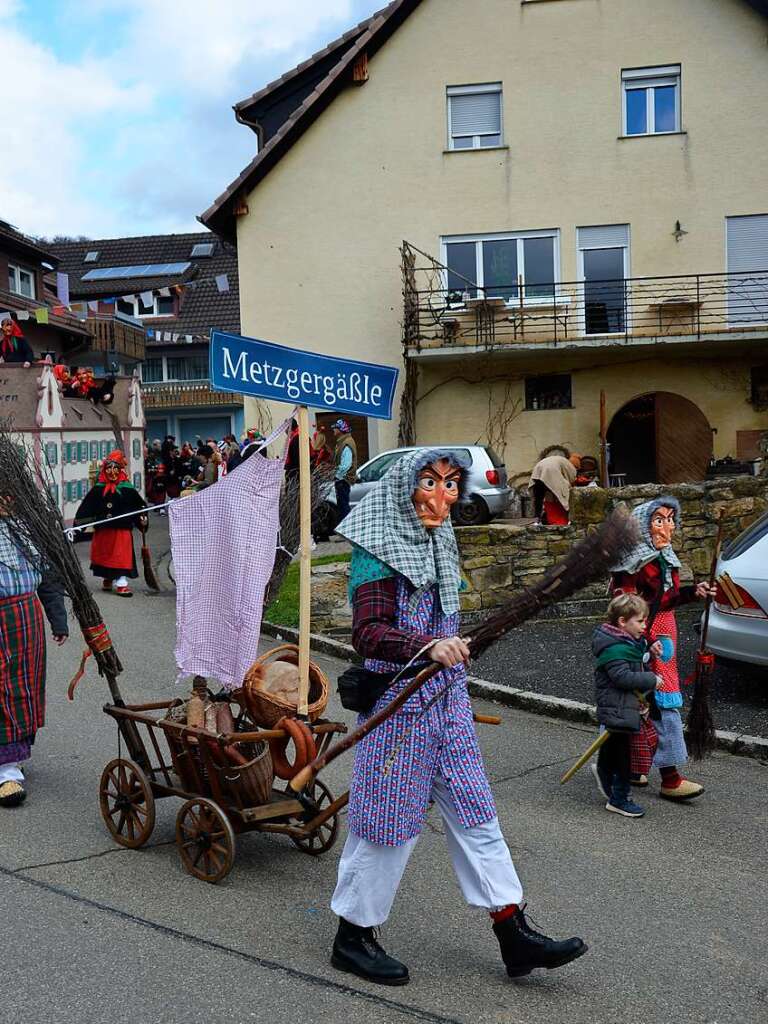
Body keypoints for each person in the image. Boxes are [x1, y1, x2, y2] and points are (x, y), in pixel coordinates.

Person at [328, 448, 587, 985]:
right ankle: (352, 937)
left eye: (450, 485)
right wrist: (428, 647)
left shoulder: (440, 543)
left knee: (477, 815)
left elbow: (448, 629)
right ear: (405, 486)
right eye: (429, 482)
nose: (440, 497)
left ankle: (513, 932)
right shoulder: (376, 550)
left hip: (449, 708)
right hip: (397, 714)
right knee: (386, 827)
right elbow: (368, 633)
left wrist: (458, 647)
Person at [610, 497, 714, 800]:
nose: (667, 528)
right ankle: (670, 777)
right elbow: (624, 608)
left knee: (645, 701)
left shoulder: (665, 556)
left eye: (670, 520)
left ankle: (634, 766)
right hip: (643, 636)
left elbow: (666, 600)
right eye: (659, 520)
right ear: (644, 526)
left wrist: (694, 592)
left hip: (663, 634)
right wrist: (645, 638)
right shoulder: (631, 562)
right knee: (656, 702)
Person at [0, 507, 68, 807]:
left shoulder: (28, 527)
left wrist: (58, 620)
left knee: (21, 691)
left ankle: (9, 761)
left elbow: (49, 579)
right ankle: (6, 770)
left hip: (25, 617)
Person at [591, 593, 662, 819]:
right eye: (640, 621)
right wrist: (651, 680)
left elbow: (636, 662)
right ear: (623, 622)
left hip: (626, 705)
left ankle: (603, 772)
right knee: (623, 756)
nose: (645, 626)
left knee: (614, 746)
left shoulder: (627, 642)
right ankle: (620, 798)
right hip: (617, 705)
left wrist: (648, 653)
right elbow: (622, 677)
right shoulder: (614, 648)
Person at [74, 451, 147, 597]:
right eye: (109, 469)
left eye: (115, 470)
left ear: (120, 471)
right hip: (104, 530)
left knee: (121, 557)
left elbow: (139, 507)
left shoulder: (128, 489)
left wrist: (142, 519)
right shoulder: (98, 488)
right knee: (105, 555)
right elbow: (86, 508)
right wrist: (78, 527)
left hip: (122, 530)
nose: (112, 473)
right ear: (104, 471)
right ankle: (107, 578)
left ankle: (121, 583)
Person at [529, 452, 581, 525]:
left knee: (539, 497)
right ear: (576, 466)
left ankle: (537, 520)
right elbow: (571, 478)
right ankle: (568, 518)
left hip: (538, 469)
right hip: (550, 470)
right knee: (565, 494)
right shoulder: (571, 466)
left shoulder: (561, 460)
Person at [331, 419, 357, 523]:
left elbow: (346, 465)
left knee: (343, 507)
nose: (333, 429)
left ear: (341, 430)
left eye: (335, 428)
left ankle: (345, 533)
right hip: (341, 480)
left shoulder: (346, 443)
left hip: (343, 480)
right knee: (342, 506)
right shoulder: (343, 442)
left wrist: (336, 475)